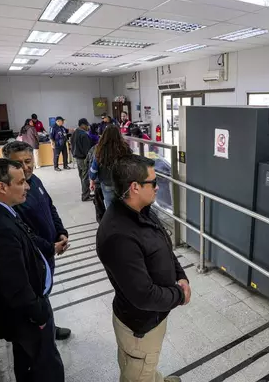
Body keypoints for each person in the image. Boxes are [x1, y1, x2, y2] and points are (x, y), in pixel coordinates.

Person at [0, 159, 64, 382]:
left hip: (27, 310)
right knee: (45, 366)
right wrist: (39, 314)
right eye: (20, 182)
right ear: (2, 187)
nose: (27, 187)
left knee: (29, 361)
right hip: (25, 316)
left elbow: (27, 241)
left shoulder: (3, 213)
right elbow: (13, 284)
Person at [97, 154, 189, 382]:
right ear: (135, 187)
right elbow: (143, 295)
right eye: (154, 183)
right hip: (140, 327)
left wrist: (181, 275)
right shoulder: (119, 235)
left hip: (154, 316)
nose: (158, 187)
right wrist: (179, 295)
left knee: (146, 367)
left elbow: (163, 246)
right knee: (138, 370)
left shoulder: (141, 210)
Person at [2, 141, 72, 340]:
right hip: (34, 256)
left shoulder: (36, 181)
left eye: (28, 160)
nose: (26, 167)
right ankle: (42, 333)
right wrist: (50, 247)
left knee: (44, 292)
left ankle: (47, 326)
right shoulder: (12, 195)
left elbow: (50, 207)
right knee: (36, 295)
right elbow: (24, 233)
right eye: (19, 164)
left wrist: (61, 231)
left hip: (48, 252)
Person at [90, 125, 131, 209]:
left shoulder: (100, 149)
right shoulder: (124, 147)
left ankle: (112, 221)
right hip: (122, 183)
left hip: (107, 182)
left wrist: (92, 180)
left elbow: (94, 168)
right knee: (124, 207)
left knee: (110, 208)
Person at [71, 118, 94, 201]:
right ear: (83, 125)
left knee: (82, 176)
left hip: (77, 158)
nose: (88, 127)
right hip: (84, 159)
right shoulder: (84, 135)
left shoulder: (74, 133)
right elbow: (88, 150)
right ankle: (85, 196)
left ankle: (86, 193)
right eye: (87, 125)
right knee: (85, 177)